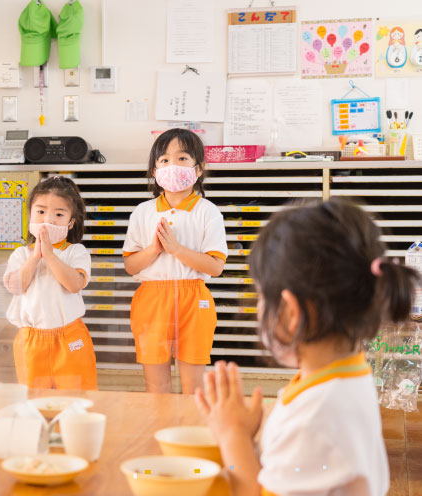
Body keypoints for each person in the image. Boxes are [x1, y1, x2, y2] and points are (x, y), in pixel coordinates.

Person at [195, 199, 419, 495]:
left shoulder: (315, 419)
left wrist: (231, 436)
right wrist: (248, 442)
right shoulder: (345, 374)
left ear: (291, 311)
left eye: (262, 296)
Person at [123, 128, 227, 393]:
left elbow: (215, 267)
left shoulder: (208, 211)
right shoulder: (142, 212)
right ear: (154, 170)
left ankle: (192, 432)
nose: (172, 165)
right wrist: (154, 250)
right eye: (164, 160)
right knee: (156, 385)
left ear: (199, 168)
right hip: (151, 299)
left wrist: (177, 249)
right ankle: (161, 432)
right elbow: (131, 265)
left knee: (194, 386)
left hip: (194, 299)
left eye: (182, 158)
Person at [4, 176, 97, 389]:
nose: (49, 219)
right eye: (41, 211)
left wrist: (51, 256)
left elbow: (74, 285)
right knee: (34, 398)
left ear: (71, 222)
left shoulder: (76, 252)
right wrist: (36, 256)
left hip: (69, 336)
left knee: (77, 397)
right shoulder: (21, 254)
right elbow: (15, 286)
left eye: (59, 214)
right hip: (30, 339)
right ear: (30, 216)